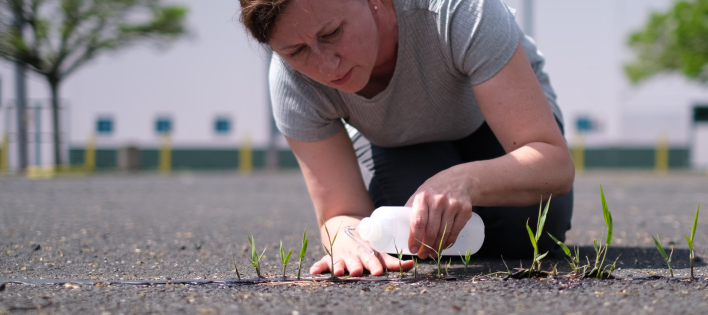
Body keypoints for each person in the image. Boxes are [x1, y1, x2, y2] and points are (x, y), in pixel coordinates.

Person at [239, 0, 574, 277]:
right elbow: (339, 212)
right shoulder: (291, 82)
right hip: (401, 144)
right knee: (412, 232)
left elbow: (553, 164)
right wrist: (346, 239)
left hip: (493, 124)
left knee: (532, 228)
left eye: (332, 33)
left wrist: (465, 181)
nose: (327, 67)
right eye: (297, 51)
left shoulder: (458, 11)